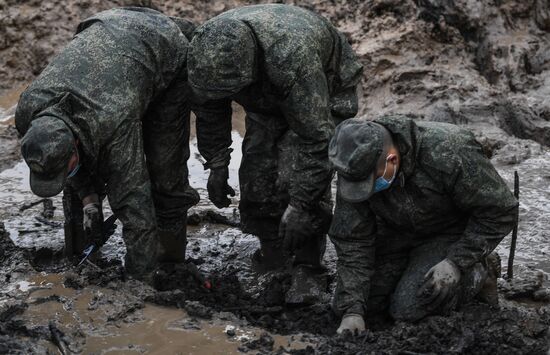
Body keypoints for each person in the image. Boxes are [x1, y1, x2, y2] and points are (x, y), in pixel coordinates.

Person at [187, 4, 363, 304]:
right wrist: (216, 162)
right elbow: (209, 107)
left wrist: (300, 203)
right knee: (257, 172)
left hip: (325, 87)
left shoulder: (293, 59)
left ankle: (309, 266)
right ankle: (273, 250)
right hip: (265, 94)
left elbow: (317, 140)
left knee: (296, 173)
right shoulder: (207, 51)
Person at [15, 7, 198, 281]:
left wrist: (140, 283)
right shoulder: (29, 112)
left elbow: (132, 201)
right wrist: (89, 200)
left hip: (164, 52)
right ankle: (79, 253)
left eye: (66, 167)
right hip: (105, 35)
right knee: (75, 180)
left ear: (75, 144)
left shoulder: (112, 118)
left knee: (165, 168)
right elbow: (67, 164)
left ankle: (170, 257)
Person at [328, 116, 518, 333]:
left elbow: (500, 210)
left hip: (447, 234)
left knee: (409, 309)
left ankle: (480, 269)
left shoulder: (449, 150)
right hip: (394, 235)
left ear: (392, 160)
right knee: (354, 307)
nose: (366, 190)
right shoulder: (353, 169)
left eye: (370, 183)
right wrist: (353, 311)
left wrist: (457, 261)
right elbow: (353, 241)